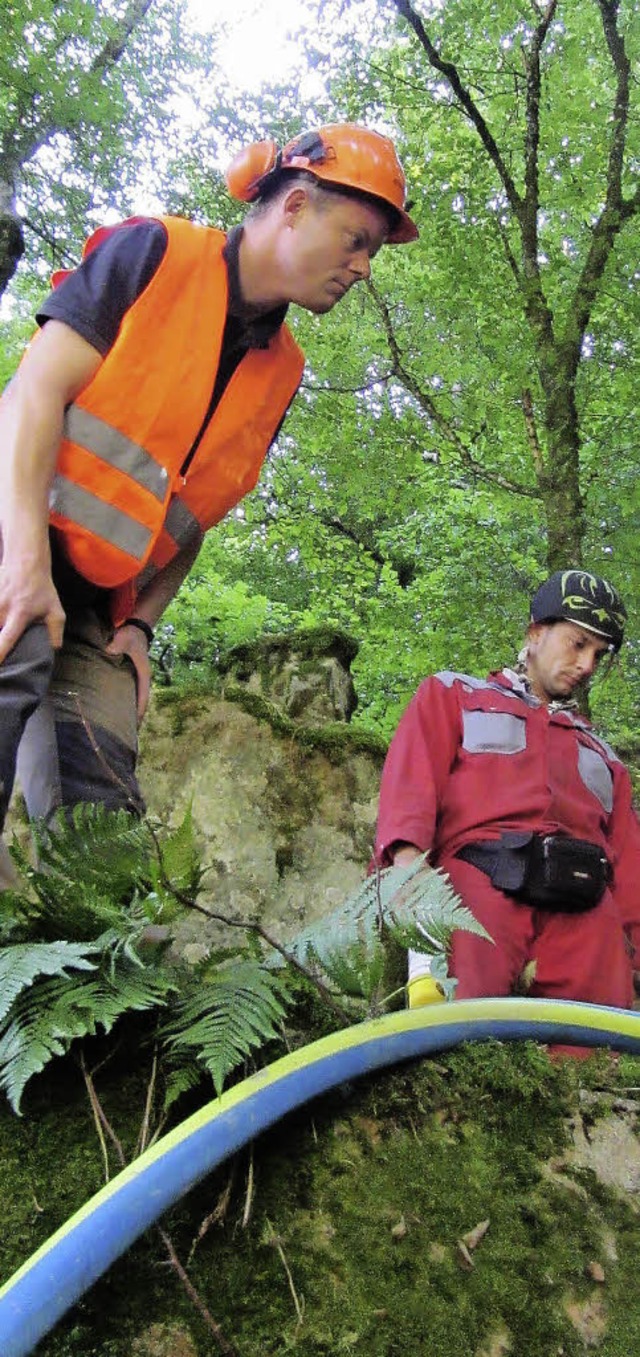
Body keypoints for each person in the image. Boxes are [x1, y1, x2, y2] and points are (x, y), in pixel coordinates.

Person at [0, 123, 418, 853]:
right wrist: (25, 561)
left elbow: (196, 513)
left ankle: (91, 963)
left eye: (372, 253)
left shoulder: (280, 371)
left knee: (103, 819)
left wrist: (143, 624)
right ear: (293, 206)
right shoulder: (155, 253)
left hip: (97, 604)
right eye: (356, 240)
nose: (364, 268)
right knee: (15, 659)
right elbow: (32, 392)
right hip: (15, 528)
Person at [374, 570, 640, 1014]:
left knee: (601, 1053)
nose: (588, 665)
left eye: (599, 654)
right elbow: (409, 788)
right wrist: (408, 872)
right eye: (578, 644)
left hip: (586, 903)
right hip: (478, 884)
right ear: (535, 633)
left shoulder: (604, 756)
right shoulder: (454, 695)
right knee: (461, 1038)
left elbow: (629, 867)